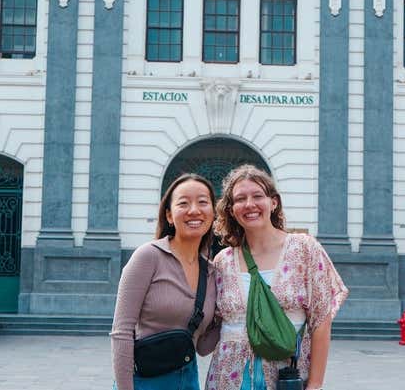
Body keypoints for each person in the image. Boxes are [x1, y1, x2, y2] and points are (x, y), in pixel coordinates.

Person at [206, 165, 349, 390]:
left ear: (273, 202)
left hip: (285, 375)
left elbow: (321, 321)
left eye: (257, 196)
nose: (249, 204)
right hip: (227, 376)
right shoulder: (223, 261)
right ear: (232, 210)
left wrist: (315, 384)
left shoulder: (304, 249)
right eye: (240, 199)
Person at [111, 173, 220, 390]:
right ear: (169, 216)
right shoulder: (148, 256)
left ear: (213, 213)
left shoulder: (211, 270)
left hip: (187, 380)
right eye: (183, 203)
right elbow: (121, 331)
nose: (194, 210)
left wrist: (232, 316)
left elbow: (202, 347)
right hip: (144, 381)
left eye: (202, 202)